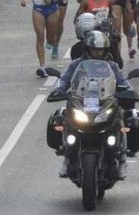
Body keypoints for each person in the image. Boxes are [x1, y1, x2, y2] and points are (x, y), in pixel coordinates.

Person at [56, 30, 132, 180]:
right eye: (94, 50)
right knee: (66, 118)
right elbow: (65, 80)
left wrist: (129, 91)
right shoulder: (76, 64)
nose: (97, 53)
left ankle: (122, 160)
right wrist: (59, 90)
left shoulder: (112, 66)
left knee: (120, 119)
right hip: (81, 102)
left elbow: (123, 82)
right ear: (87, 49)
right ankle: (67, 158)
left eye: (101, 50)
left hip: (105, 102)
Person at [22, 0, 68, 77]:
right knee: (39, 36)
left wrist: (52, 0)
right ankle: (42, 66)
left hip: (52, 9)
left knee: (51, 38)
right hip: (38, 9)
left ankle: (52, 43)